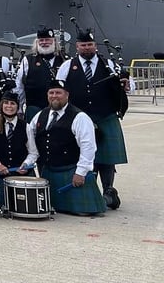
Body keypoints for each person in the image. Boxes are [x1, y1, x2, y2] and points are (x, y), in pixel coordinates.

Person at [56, 28, 129, 209]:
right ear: (77, 47)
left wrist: (127, 84)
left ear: (95, 46)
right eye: (83, 45)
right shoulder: (67, 66)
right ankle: (92, 190)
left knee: (106, 158)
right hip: (79, 119)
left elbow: (128, 85)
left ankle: (108, 190)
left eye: (90, 45)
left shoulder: (109, 64)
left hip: (105, 116)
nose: (87, 48)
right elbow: (59, 89)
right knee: (86, 156)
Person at [26, 79, 107, 216]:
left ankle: (108, 198)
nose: (54, 96)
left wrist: (80, 173)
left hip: (71, 170)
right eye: (51, 93)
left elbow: (88, 146)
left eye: (58, 93)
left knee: (84, 212)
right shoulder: (41, 115)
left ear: (67, 95)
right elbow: (30, 138)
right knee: (48, 208)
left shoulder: (80, 117)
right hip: (49, 171)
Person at [0, 91, 31, 205]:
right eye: (6, 103)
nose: (9, 106)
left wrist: (26, 164)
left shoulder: (26, 126)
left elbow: (33, 152)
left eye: (12, 103)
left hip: (21, 175)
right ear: (1, 105)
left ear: (17, 106)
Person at [14, 27, 65, 121]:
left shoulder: (64, 60)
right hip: (34, 109)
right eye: (41, 40)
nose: (44, 42)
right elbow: (19, 86)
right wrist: (19, 108)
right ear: (37, 42)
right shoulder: (27, 60)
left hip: (59, 110)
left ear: (54, 41)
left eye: (47, 40)